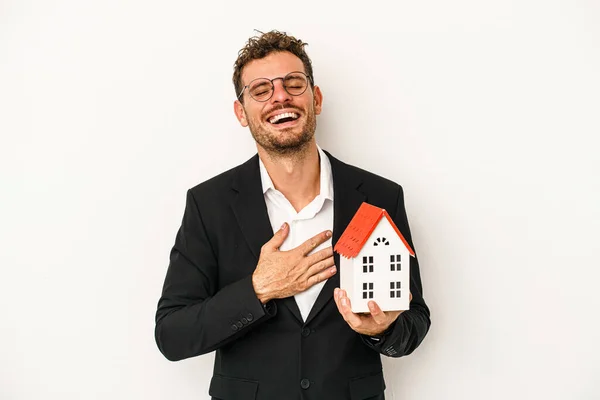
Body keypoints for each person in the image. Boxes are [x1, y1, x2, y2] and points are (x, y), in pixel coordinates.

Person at [155, 30, 431, 400]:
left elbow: (415, 320)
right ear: (242, 112)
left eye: (293, 83)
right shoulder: (210, 204)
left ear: (315, 99)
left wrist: (381, 329)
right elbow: (172, 334)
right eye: (261, 90)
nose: (280, 96)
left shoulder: (381, 196)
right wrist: (259, 289)